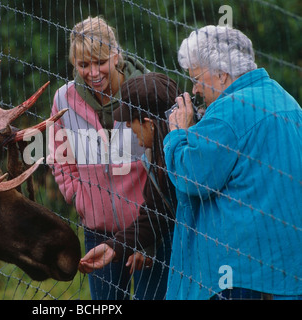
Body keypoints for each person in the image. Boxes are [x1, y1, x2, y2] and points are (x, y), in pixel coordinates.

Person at [165, 25, 302, 299]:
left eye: (196, 79)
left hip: (239, 270)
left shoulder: (228, 111)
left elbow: (192, 176)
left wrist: (178, 134)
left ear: (221, 74)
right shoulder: (287, 100)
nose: (194, 89)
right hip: (287, 266)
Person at [47, 16, 159, 300]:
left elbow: (163, 163)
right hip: (98, 231)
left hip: (146, 231)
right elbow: (59, 156)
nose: (93, 72)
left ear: (116, 55)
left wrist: (152, 232)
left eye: (101, 62)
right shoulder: (63, 100)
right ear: (74, 64)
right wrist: (79, 196)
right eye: (84, 65)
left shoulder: (146, 93)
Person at [78, 72, 180, 300]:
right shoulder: (160, 156)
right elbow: (156, 214)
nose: (125, 126)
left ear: (148, 122)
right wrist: (114, 247)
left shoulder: (182, 160)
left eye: (129, 120)